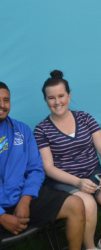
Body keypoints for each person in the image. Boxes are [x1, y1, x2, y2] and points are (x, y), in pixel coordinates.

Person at [34, 70, 101, 250]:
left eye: (61, 95)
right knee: (87, 203)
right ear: (45, 100)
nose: (57, 102)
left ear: (69, 95)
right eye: (51, 98)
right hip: (64, 181)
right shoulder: (41, 130)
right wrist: (78, 182)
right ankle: (90, 247)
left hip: (93, 173)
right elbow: (48, 167)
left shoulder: (84, 117)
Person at [0, 82, 85, 250]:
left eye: (6, 100)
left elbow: (35, 169)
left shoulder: (22, 130)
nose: (2, 105)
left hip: (21, 197)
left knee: (75, 205)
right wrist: (1, 217)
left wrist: (25, 199)